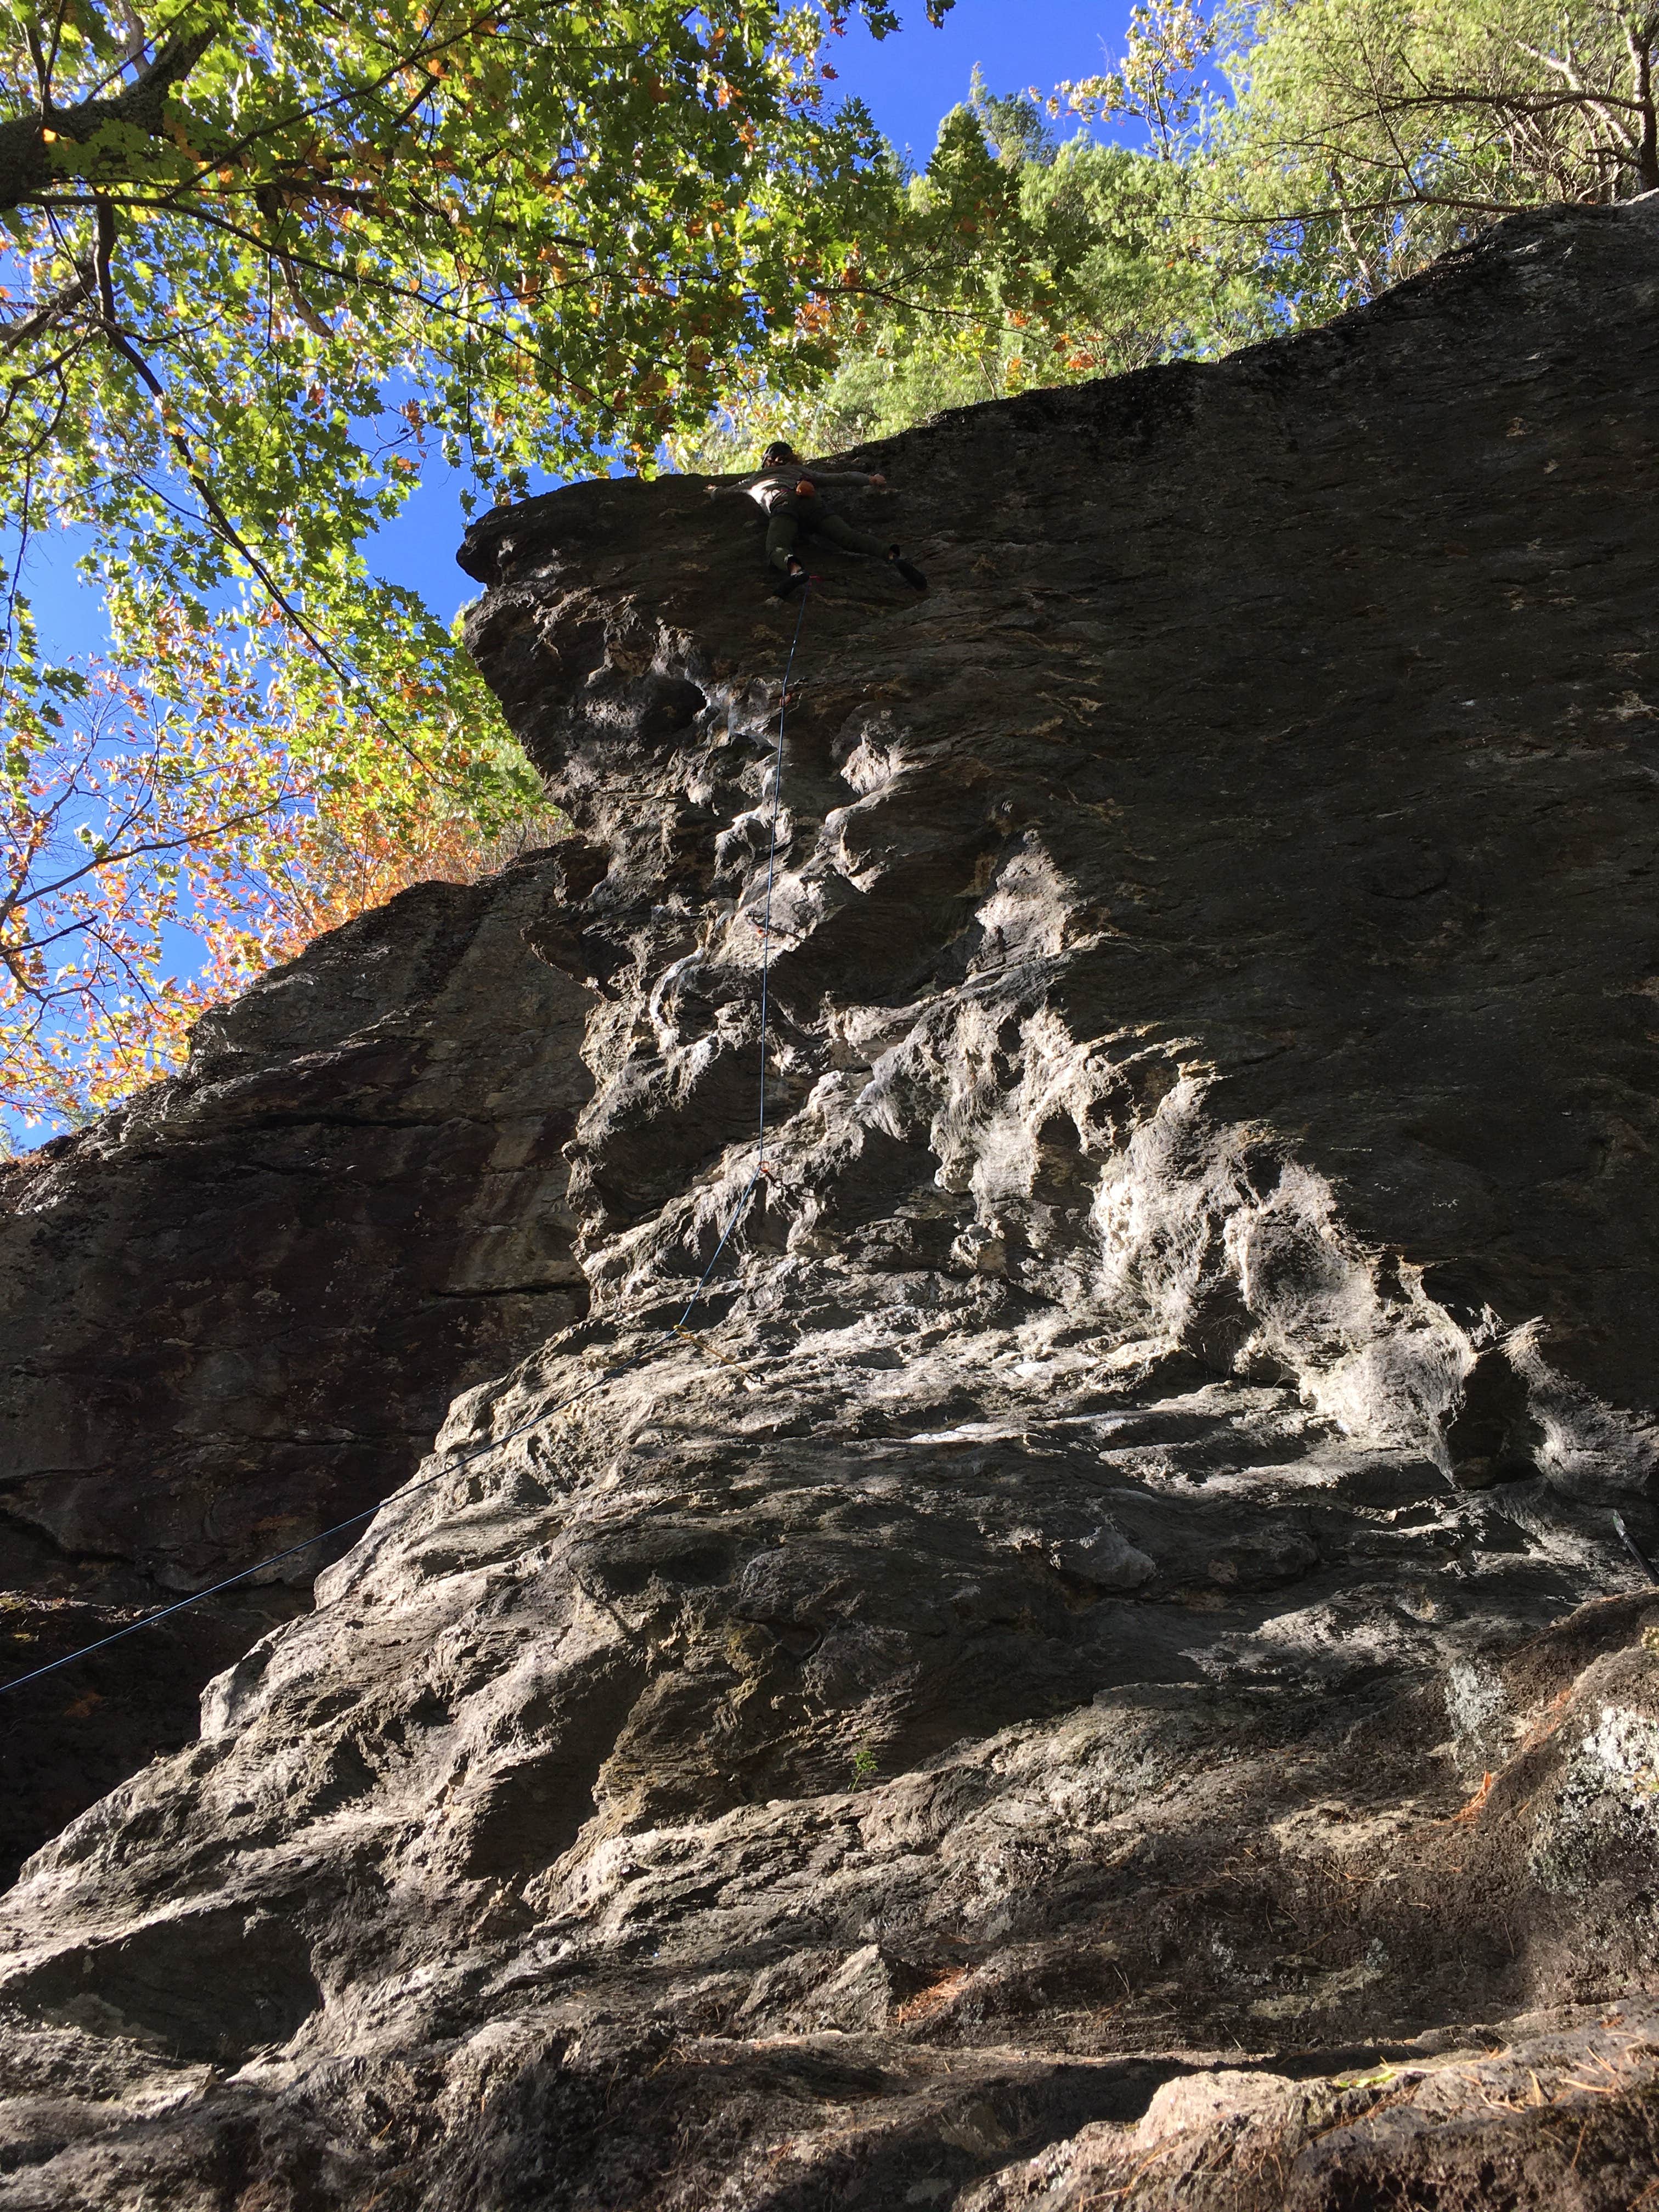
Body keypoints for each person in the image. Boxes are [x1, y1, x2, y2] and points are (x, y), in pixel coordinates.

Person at [707, 440, 929, 598]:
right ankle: (892, 556)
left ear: (767, 461)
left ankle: (796, 571)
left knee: (776, 546)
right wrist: (869, 479)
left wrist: (713, 490)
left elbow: (727, 492)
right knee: (848, 537)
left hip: (783, 505)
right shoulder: (799, 471)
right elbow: (837, 478)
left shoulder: (756, 479)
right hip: (812, 503)